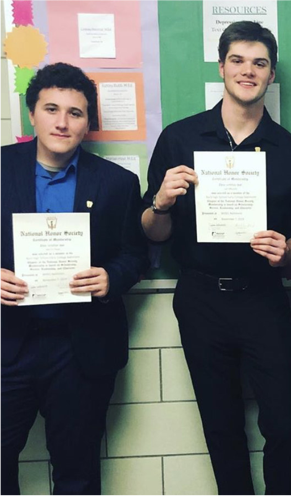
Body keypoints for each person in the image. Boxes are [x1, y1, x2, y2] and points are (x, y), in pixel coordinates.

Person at [141, 21, 291, 496]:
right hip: (200, 296)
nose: (247, 70)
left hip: (263, 296)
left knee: (284, 425)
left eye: (259, 62)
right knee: (221, 425)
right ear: (221, 67)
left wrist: (287, 252)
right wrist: (161, 202)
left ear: (271, 74)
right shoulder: (180, 139)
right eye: (237, 60)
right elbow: (152, 231)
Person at [0, 62, 149, 496]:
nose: (62, 122)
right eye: (51, 108)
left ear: (88, 123)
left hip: (80, 348)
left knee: (78, 469)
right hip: (9, 345)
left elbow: (134, 255)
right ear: (32, 114)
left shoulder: (117, 183)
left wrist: (110, 277)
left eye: (76, 112)